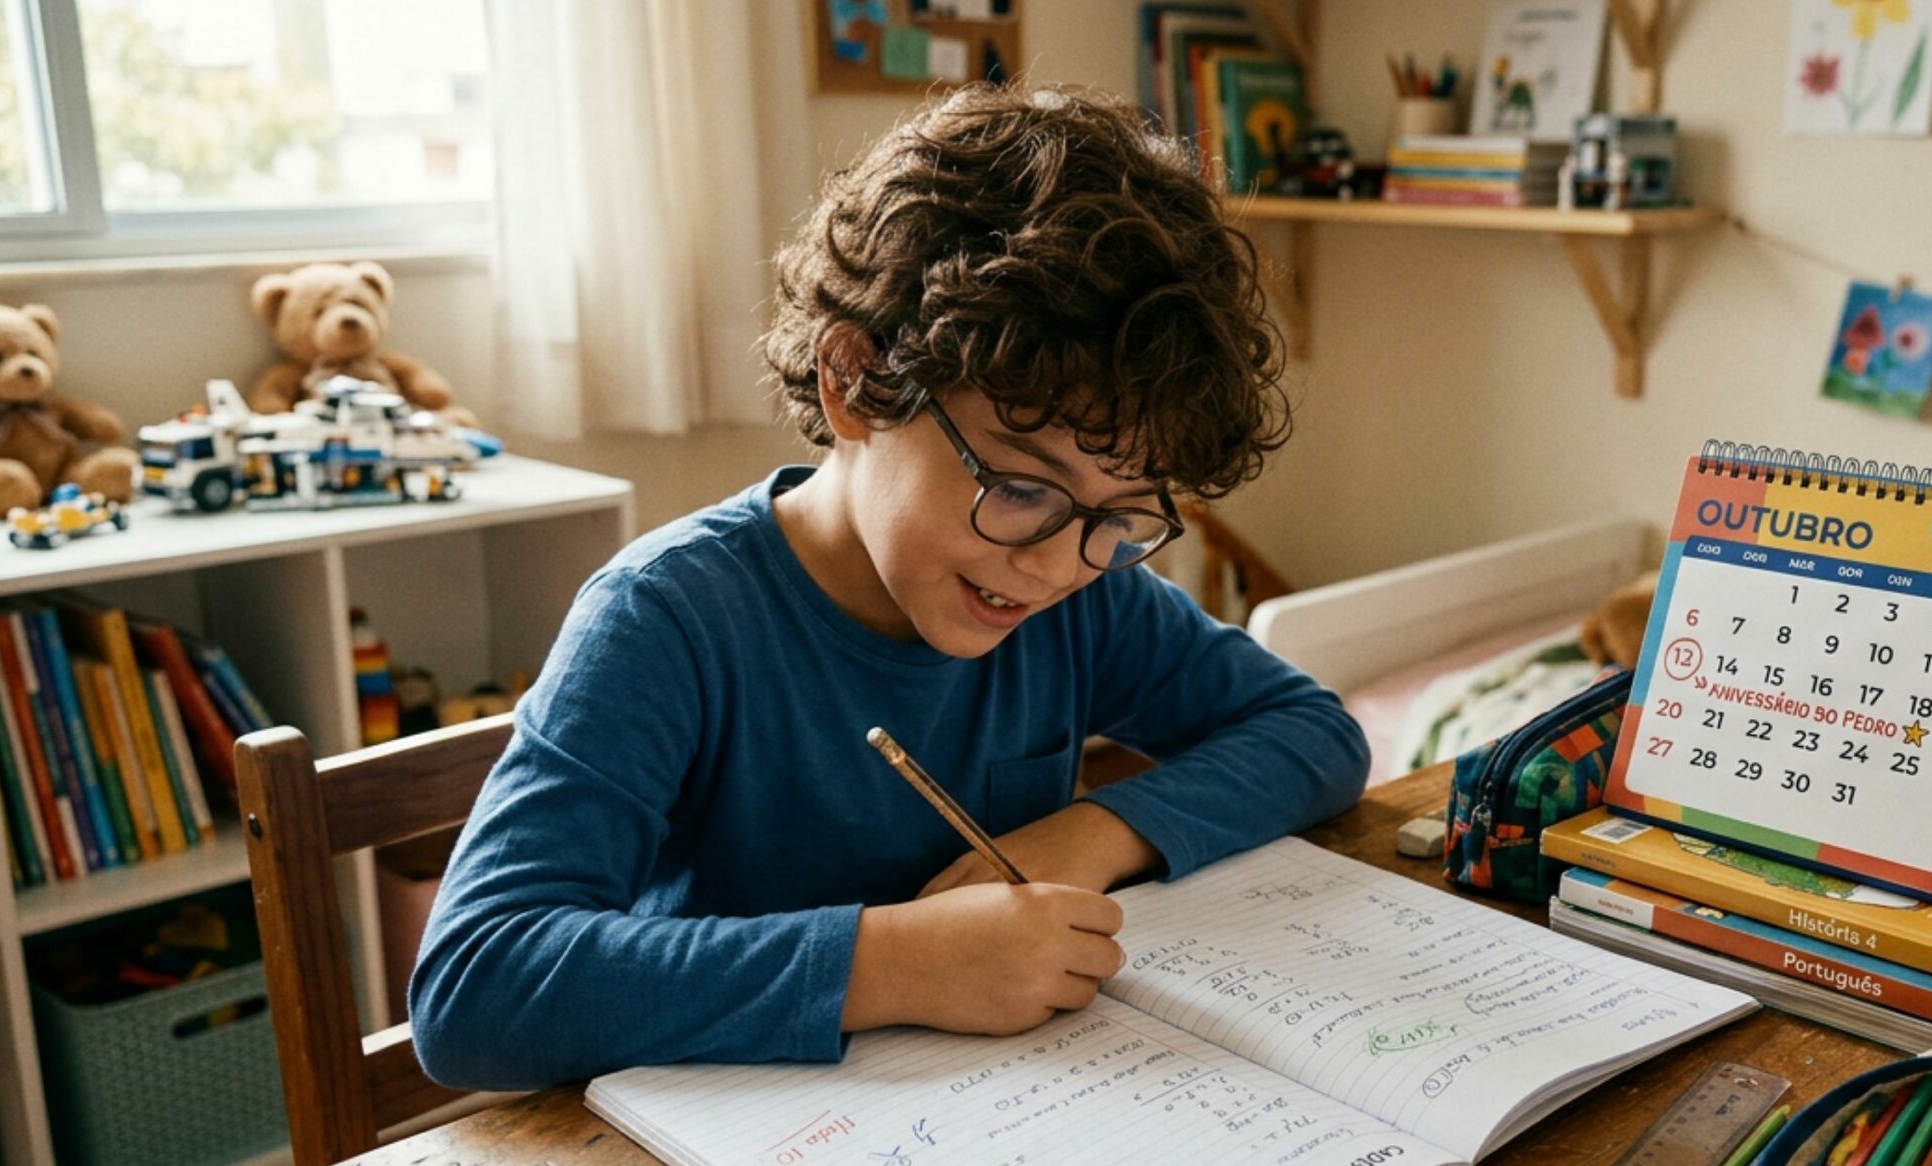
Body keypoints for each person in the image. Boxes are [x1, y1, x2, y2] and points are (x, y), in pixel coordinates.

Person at [409, 85, 1370, 1090]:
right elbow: (474, 987)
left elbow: (1312, 733)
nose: (1050, 562)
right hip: (730, 1156)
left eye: (1119, 513)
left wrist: (1087, 835)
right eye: (1017, 485)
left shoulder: (1081, 592)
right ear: (852, 380)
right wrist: (896, 961)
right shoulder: (668, 619)